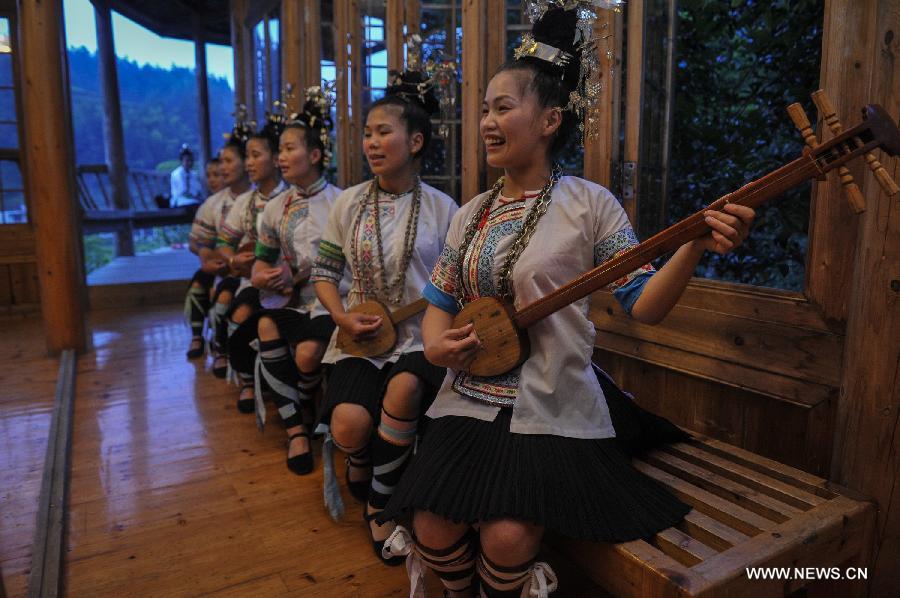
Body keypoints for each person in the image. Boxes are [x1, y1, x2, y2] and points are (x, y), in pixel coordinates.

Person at [378, 7, 757, 597]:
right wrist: (432, 341)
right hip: (469, 398)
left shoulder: (589, 204)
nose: (487, 121)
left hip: (552, 399)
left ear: (550, 119)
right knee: (431, 521)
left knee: (507, 537)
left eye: (504, 107)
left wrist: (693, 247)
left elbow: (645, 304)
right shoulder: (471, 213)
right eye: (484, 109)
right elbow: (439, 299)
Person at [312, 70, 458, 564]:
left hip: (421, 338)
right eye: (368, 133)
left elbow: (457, 287)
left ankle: (381, 504)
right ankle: (360, 456)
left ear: (415, 141)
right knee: (349, 424)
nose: (372, 142)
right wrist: (341, 318)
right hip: (361, 336)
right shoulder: (348, 204)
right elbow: (325, 272)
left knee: (406, 387)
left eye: (384, 132)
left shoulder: (444, 209)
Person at [226, 87, 345, 472]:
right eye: (278, 150)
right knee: (261, 322)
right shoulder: (276, 208)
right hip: (292, 303)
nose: (280, 157)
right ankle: (296, 430)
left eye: (289, 148)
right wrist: (267, 278)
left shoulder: (342, 203)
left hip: (336, 301)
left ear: (314, 155)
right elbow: (260, 266)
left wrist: (296, 273)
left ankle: (304, 400)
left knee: (308, 355)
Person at [215, 115, 289, 408]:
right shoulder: (245, 202)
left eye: (256, 155)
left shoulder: (289, 198)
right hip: (254, 280)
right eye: (246, 156)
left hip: (291, 281)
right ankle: (247, 378)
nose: (249, 163)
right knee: (239, 313)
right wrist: (234, 259)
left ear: (274, 158)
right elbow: (223, 243)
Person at [188, 122, 252, 374]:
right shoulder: (214, 203)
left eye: (228, 161)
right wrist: (206, 255)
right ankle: (206, 340)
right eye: (221, 162)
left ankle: (230, 350)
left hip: (249, 271)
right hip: (223, 267)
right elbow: (198, 240)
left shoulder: (260, 199)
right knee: (201, 284)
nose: (222, 167)